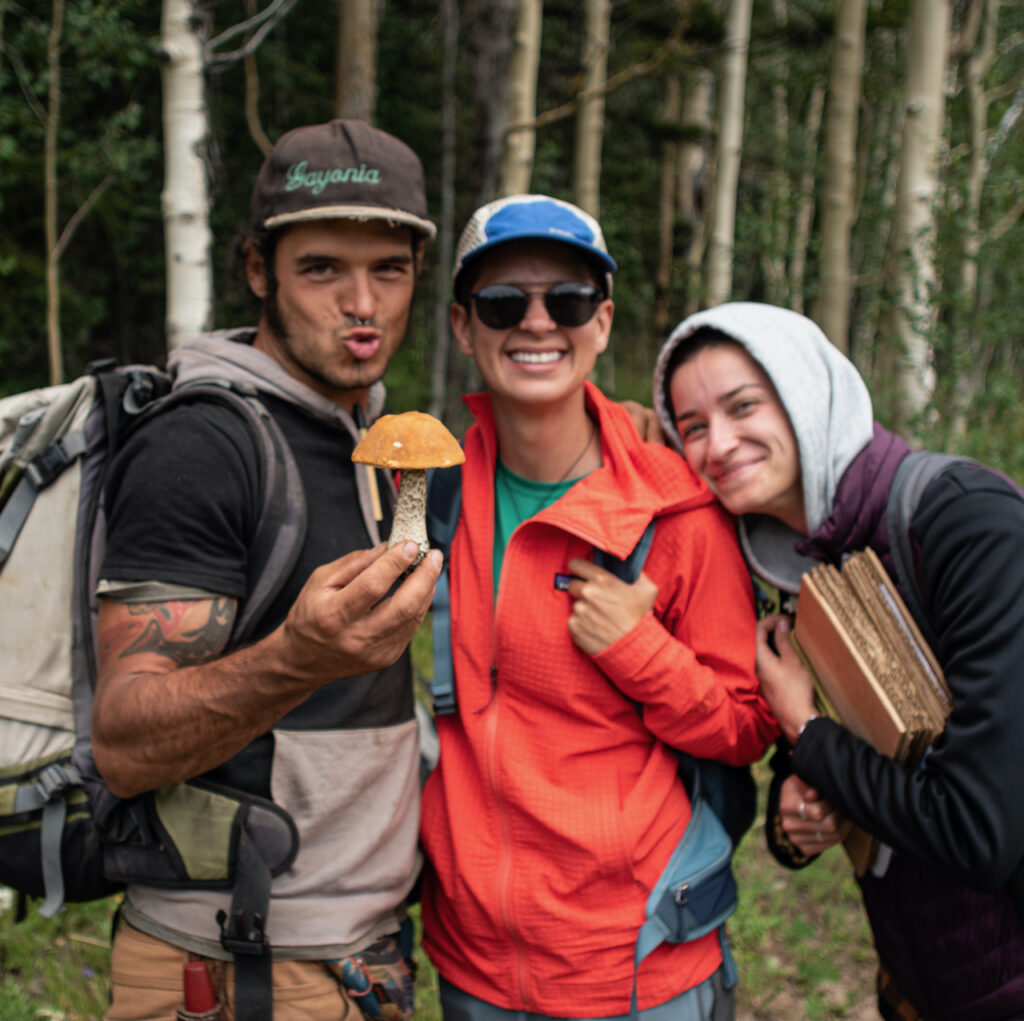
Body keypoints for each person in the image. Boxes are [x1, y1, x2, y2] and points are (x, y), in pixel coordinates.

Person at [91, 119, 443, 1021]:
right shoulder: (202, 443)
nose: (361, 304)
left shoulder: (371, 436)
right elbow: (126, 744)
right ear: (259, 271)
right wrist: (298, 658)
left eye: (390, 270)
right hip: (234, 966)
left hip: (359, 960)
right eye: (323, 267)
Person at [418, 196, 778, 1021]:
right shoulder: (431, 493)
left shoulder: (678, 510)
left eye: (568, 300)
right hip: (474, 963)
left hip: (638, 964)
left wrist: (641, 651)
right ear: (463, 327)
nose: (537, 323)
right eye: (504, 302)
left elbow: (747, 722)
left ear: (604, 321)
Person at [652, 301, 1024, 1021]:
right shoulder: (799, 564)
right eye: (692, 426)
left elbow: (977, 833)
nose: (718, 444)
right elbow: (824, 770)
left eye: (743, 406)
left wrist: (804, 729)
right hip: (923, 983)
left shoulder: (967, 525)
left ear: (803, 392)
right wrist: (797, 820)